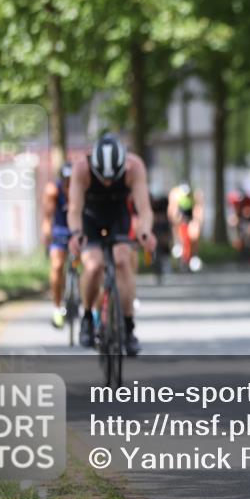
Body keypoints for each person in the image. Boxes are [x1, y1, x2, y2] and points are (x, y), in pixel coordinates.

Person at [67, 133, 156, 356]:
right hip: (90, 219)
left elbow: (144, 209)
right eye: (102, 178)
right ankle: (87, 317)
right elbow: (75, 210)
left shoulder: (134, 167)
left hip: (118, 217)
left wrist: (145, 231)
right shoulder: (81, 169)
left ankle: (128, 328)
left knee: (122, 261)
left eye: (112, 178)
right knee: (94, 265)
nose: (107, 183)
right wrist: (76, 234)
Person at [42, 162, 73, 329]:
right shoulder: (53, 191)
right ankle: (56, 307)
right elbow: (48, 217)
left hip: (79, 231)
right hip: (60, 231)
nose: (69, 183)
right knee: (57, 265)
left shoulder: (82, 190)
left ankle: (93, 312)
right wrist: (47, 234)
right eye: (66, 180)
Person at [168, 182, 204, 271]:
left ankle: (194, 255)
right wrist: (176, 220)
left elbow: (198, 210)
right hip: (180, 218)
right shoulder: (175, 195)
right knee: (178, 233)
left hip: (190, 218)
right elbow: (172, 211)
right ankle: (178, 246)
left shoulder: (195, 195)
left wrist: (197, 222)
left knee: (194, 235)